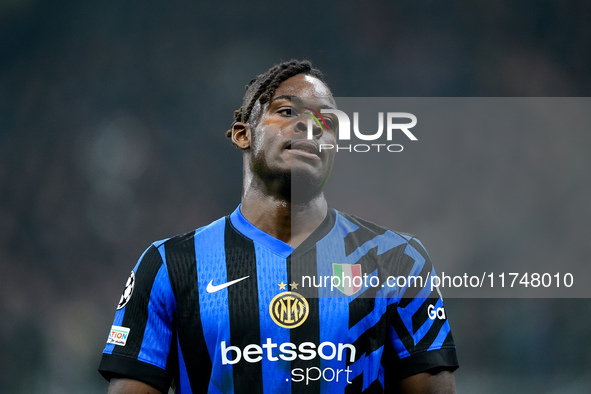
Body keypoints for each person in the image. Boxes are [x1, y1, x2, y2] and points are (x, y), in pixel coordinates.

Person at [98, 59, 459, 393]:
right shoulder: (169, 265)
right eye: (287, 111)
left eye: (327, 122)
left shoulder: (397, 260)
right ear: (243, 134)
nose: (310, 126)